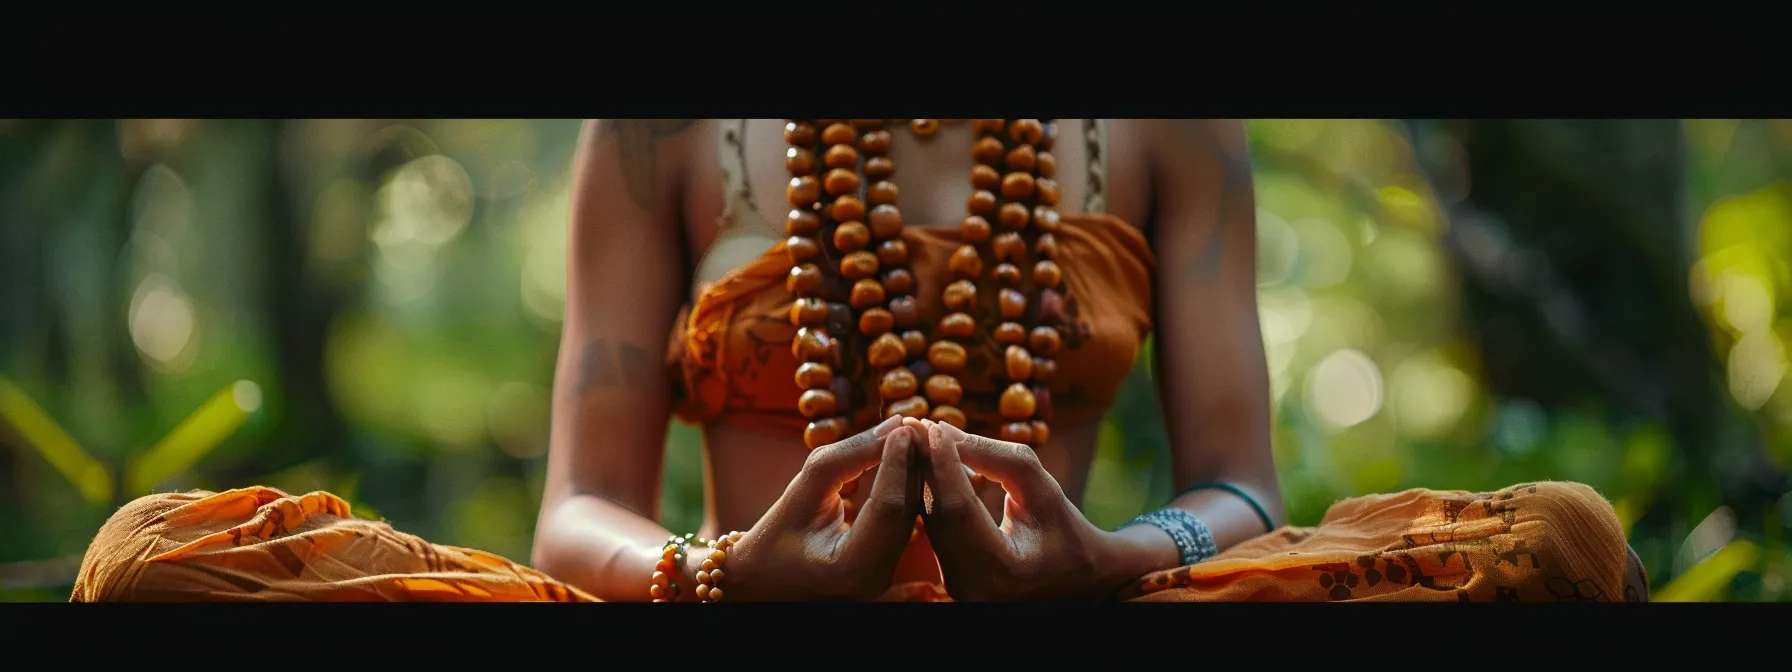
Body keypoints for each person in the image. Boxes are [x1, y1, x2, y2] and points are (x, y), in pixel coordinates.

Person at [69, 119, 1649, 603]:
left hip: (1075, 614)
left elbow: (1240, 482)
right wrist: (718, 579)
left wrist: (1106, 559)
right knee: (157, 572)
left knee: (1558, 552)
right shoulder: (663, 126)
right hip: (725, 617)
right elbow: (574, 515)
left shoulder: (1169, 122)